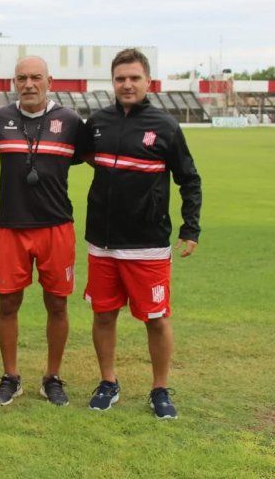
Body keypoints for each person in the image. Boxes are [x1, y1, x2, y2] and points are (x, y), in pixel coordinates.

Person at [83, 48, 201, 419]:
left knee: (156, 317)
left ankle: (160, 388)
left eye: (134, 78)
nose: (127, 84)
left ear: (147, 81)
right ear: (113, 82)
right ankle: (108, 381)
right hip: (101, 241)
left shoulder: (165, 126)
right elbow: (76, 157)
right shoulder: (97, 123)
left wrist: (190, 227)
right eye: (120, 78)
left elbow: (189, 179)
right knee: (103, 314)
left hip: (148, 243)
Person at [0, 56, 89, 406]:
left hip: (56, 227)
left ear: (51, 80)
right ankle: (11, 376)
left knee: (58, 305)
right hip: (11, 228)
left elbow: (96, 160)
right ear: (14, 82)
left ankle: (52, 377)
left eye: (36, 77)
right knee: (7, 304)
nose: (29, 84)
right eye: (22, 78)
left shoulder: (69, 122)